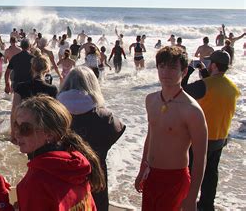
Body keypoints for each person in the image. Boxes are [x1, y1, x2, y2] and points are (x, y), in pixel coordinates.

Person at [0, 96, 105, 210]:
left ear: (49, 134)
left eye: (25, 128)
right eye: (16, 125)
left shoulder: (36, 182)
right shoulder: (77, 165)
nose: (17, 134)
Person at [135, 46, 207, 211]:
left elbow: (201, 158)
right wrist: (142, 169)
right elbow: (151, 136)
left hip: (175, 178)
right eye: (162, 66)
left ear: (184, 71)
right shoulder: (151, 100)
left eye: (173, 67)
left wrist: (192, 197)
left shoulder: (192, 110)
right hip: (151, 175)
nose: (166, 72)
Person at [58, 66, 125, 211]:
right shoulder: (105, 117)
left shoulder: (54, 115)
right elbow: (118, 129)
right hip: (95, 179)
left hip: (61, 180)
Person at [182, 50, 240, 210]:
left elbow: (181, 91)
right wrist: (204, 71)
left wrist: (189, 70)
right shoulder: (233, 87)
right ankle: (207, 205)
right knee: (211, 174)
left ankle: (187, 203)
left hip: (202, 138)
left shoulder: (204, 85)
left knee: (190, 173)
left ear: (213, 65)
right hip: (220, 138)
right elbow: (215, 90)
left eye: (209, 63)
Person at [12, 51, 58, 142]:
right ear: (48, 69)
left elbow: (15, 110)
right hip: (43, 129)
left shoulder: (21, 87)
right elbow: (54, 115)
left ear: (32, 68)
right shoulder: (52, 89)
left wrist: (13, 132)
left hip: (26, 128)